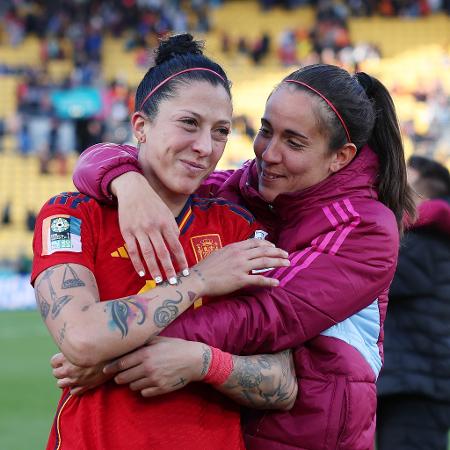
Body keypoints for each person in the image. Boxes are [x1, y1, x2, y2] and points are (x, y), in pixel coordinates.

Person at [67, 62, 416, 449]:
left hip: (309, 436)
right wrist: (126, 182)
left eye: (294, 142)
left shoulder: (365, 226)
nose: (269, 153)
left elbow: (267, 315)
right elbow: (101, 161)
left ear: (341, 157)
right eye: (266, 130)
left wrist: (114, 346)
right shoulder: (241, 189)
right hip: (230, 430)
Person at [32, 34, 293, 450]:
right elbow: (80, 338)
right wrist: (200, 281)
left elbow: (283, 383)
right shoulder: (73, 214)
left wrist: (202, 362)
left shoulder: (238, 229)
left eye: (220, 131)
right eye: (189, 123)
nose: (205, 147)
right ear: (141, 126)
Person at [376, 156, 450, 450]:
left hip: (416, 385)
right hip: (413, 380)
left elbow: (373, 280)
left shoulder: (426, 241)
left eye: (406, 179)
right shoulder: (430, 237)